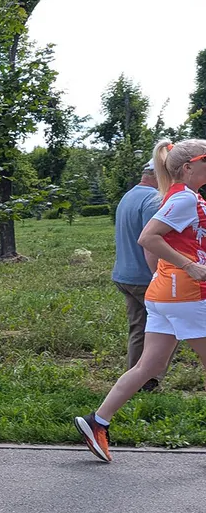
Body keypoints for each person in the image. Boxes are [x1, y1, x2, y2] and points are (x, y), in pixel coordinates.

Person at [75, 138, 206, 463]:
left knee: (150, 365)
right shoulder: (184, 199)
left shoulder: (188, 197)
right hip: (186, 294)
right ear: (188, 167)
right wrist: (188, 265)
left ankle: (97, 422)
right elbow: (148, 237)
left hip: (166, 295)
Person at [112, 161, 167, 390]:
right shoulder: (153, 200)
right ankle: (149, 380)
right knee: (165, 328)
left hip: (124, 275)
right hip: (144, 277)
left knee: (139, 328)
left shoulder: (129, 196)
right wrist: (158, 277)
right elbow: (150, 242)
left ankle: (133, 378)